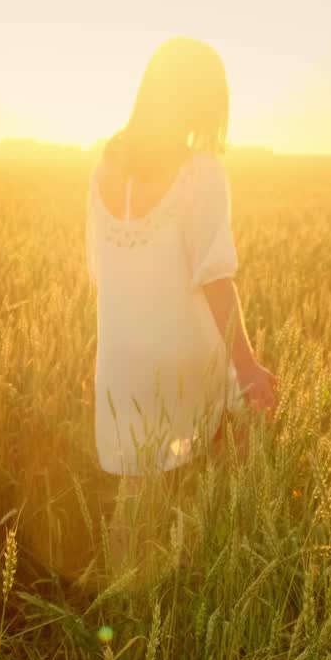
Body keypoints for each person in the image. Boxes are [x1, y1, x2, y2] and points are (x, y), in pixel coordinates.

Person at [85, 36, 277, 580]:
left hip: (121, 363)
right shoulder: (201, 172)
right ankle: (212, 588)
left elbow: (103, 275)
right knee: (220, 471)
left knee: (136, 491)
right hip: (186, 360)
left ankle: (127, 601)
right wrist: (246, 368)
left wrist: (104, 357)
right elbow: (215, 276)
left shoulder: (104, 168)